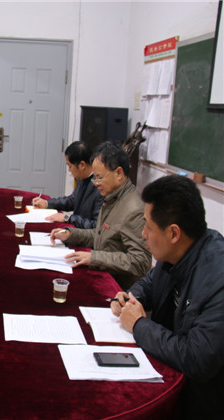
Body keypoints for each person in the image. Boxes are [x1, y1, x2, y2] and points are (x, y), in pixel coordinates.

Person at [110, 175, 224, 419]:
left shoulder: (218, 278)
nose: (143, 234)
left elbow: (197, 358)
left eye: (148, 227)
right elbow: (149, 285)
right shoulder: (176, 252)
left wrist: (139, 325)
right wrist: (129, 299)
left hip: (198, 403)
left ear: (173, 233)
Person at [50, 142, 151, 289]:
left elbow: (140, 262)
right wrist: (71, 234)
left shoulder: (133, 210)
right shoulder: (112, 196)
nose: (96, 183)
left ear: (119, 173)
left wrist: (95, 258)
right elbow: (101, 235)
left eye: (99, 177)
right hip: (104, 275)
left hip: (118, 288)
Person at [32, 141, 102, 228]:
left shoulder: (100, 187)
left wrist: (67, 218)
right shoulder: (82, 178)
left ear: (82, 165)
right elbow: (72, 201)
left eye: (70, 166)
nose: (69, 170)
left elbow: (96, 226)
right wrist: (46, 203)